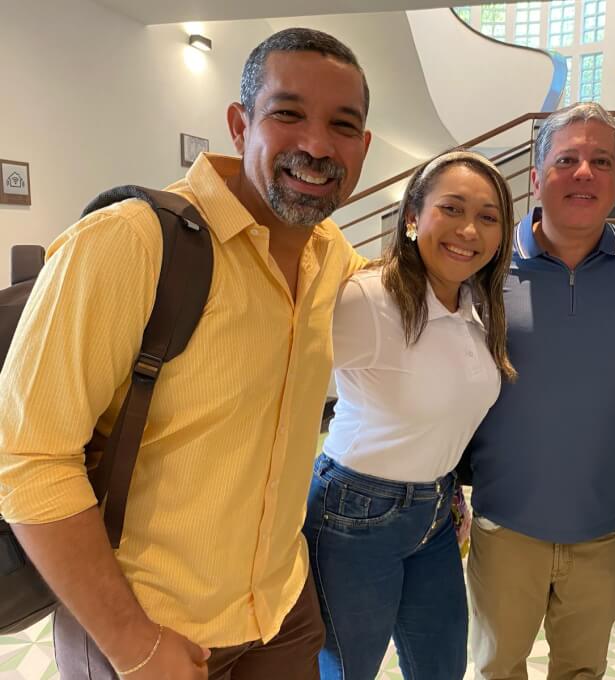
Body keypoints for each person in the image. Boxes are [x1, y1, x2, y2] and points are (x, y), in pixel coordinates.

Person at [0, 27, 373, 680]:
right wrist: (132, 643)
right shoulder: (130, 244)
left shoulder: (330, 257)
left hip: (281, 615)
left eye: (342, 125)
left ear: (363, 147)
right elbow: (26, 459)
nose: (317, 146)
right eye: (288, 114)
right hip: (152, 632)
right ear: (239, 124)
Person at [462, 102, 615, 680]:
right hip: (505, 523)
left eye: (601, 161)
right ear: (535, 177)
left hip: (601, 526)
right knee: (497, 667)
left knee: (583, 670)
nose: (584, 173)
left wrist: (608, 415)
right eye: (567, 159)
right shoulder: (488, 265)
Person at [303, 150, 516, 680]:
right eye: (453, 208)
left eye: (488, 217)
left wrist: (446, 486)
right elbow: (280, 381)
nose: (469, 230)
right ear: (413, 216)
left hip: (435, 510)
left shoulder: (477, 304)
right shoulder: (369, 299)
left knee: (441, 666)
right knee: (347, 670)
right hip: (353, 511)